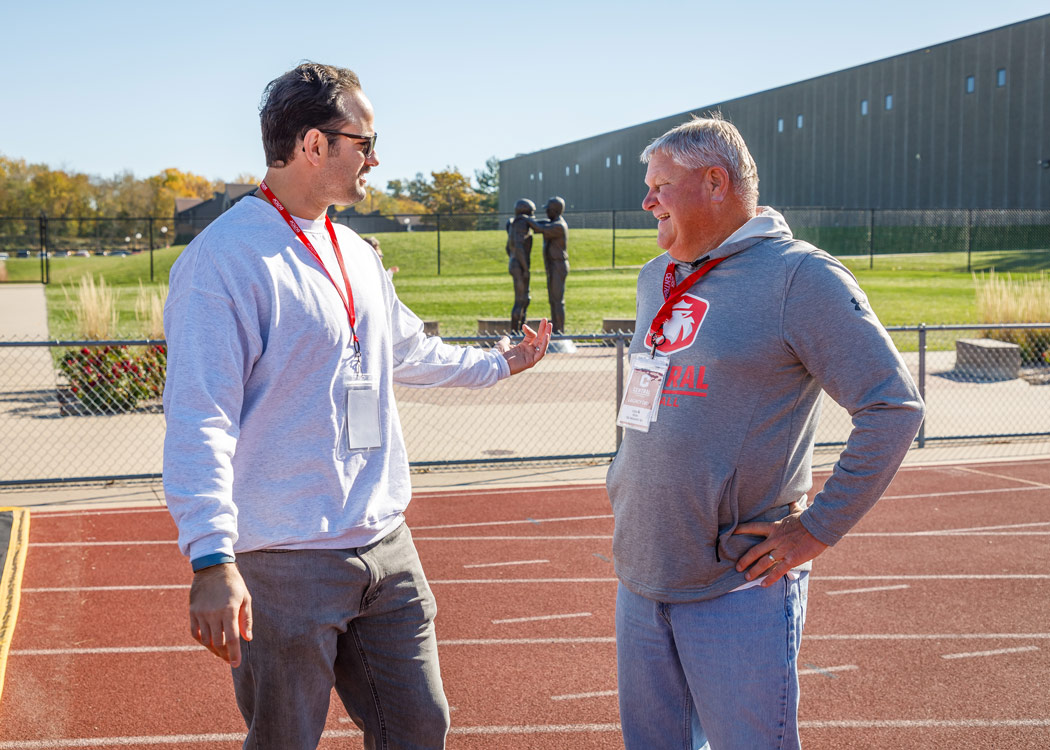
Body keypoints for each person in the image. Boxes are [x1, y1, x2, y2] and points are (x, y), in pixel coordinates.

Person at [162, 62, 551, 750]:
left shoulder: (355, 252)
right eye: (365, 142)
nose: (377, 157)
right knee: (285, 740)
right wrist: (210, 558)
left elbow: (407, 352)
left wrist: (500, 363)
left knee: (419, 726)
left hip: (384, 543)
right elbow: (201, 418)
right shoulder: (224, 260)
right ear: (315, 145)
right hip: (283, 559)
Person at [606, 114, 925, 749]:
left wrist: (816, 528)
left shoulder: (800, 278)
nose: (646, 201)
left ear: (714, 182)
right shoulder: (657, 277)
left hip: (739, 586)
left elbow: (893, 407)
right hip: (641, 574)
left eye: (660, 186)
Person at [524, 196, 569, 334]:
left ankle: (559, 331)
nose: (546, 212)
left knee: (557, 300)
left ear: (554, 211)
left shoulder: (558, 226)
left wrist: (524, 218)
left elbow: (538, 228)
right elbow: (540, 224)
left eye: (548, 209)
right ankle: (556, 329)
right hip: (552, 265)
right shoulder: (553, 222)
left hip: (558, 265)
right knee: (553, 300)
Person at [505, 198, 535, 333]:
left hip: (516, 263)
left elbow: (508, 248)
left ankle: (521, 330)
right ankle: (514, 332)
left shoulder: (512, 224)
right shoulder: (520, 224)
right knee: (520, 299)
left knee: (525, 299)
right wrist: (524, 267)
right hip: (519, 265)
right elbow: (518, 247)